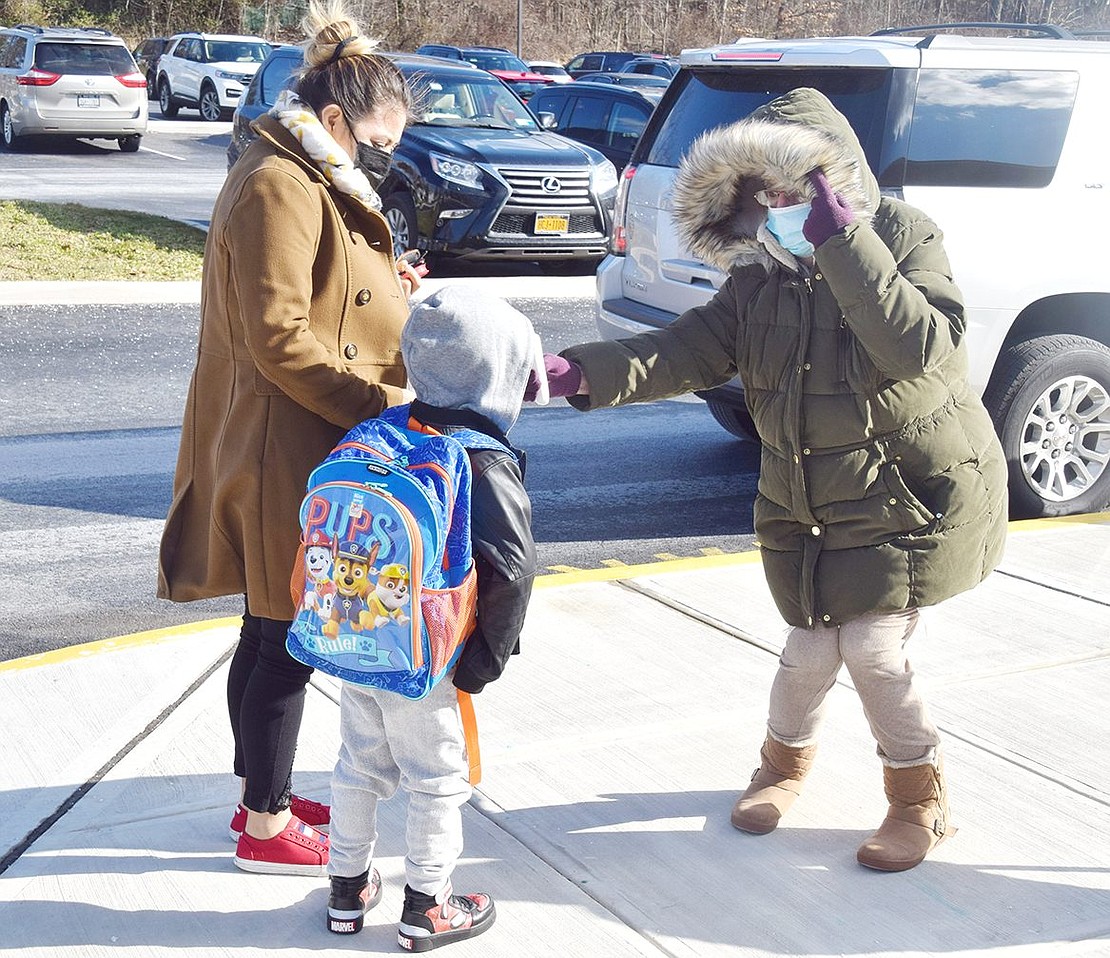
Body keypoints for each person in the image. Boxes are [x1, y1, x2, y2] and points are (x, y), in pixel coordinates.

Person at [534, 88, 1008, 872]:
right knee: (807, 653)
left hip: (907, 494)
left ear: (833, 181)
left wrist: (846, 244)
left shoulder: (902, 235)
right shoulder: (760, 277)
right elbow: (682, 351)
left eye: (794, 193)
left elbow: (923, 351)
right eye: (763, 197)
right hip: (810, 503)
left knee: (873, 651)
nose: (777, 210)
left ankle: (919, 798)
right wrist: (572, 372)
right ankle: (783, 765)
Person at [156, 0, 423, 876]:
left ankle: (254, 799)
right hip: (283, 446)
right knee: (285, 641)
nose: (383, 156)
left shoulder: (308, 173)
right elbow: (278, 336)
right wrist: (379, 406)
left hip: (294, 436)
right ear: (336, 120)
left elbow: (324, 291)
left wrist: (390, 283)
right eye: (378, 141)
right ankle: (266, 829)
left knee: (266, 630)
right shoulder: (281, 181)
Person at [324, 286, 539, 950]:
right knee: (438, 779)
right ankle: (428, 904)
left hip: (356, 637)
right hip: (429, 658)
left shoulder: (379, 432)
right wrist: (481, 663)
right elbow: (512, 569)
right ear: (497, 370)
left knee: (357, 765)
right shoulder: (481, 456)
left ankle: (347, 891)